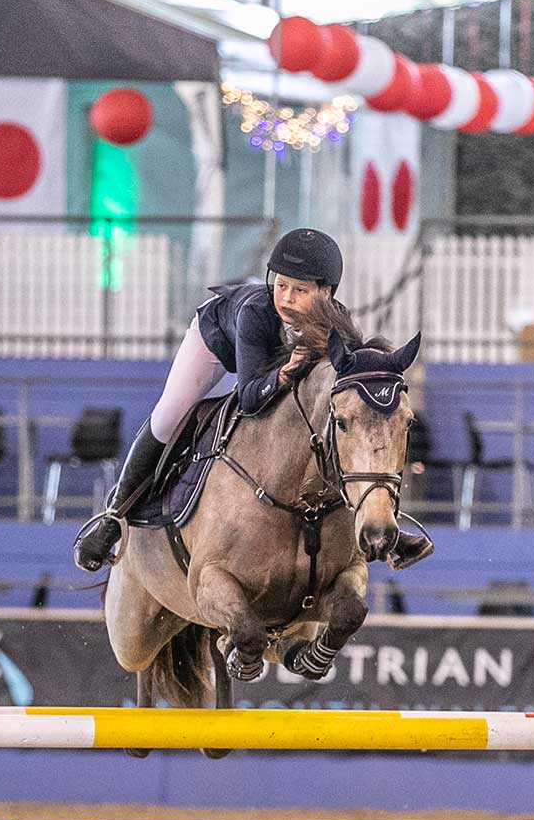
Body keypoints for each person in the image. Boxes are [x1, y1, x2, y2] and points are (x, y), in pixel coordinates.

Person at [72, 227, 431, 572]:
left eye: (300, 290)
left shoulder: (339, 324)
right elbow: (248, 397)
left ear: (326, 293)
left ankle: (386, 525)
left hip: (267, 371)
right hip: (218, 346)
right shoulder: (257, 312)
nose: (287, 299)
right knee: (170, 416)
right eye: (281, 286)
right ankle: (113, 517)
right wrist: (281, 375)